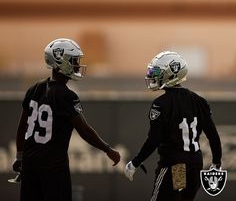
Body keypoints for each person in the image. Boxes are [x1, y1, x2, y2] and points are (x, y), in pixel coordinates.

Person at [12, 38, 120, 201]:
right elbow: (84, 130)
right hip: (52, 167)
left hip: (29, 163)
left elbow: (22, 128)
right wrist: (107, 149)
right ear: (60, 62)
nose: (77, 65)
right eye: (74, 60)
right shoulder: (66, 95)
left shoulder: (34, 88)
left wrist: (20, 157)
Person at [124, 51, 222, 201]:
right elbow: (213, 135)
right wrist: (216, 162)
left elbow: (154, 139)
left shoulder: (161, 103)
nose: (152, 76)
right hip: (195, 165)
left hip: (177, 166)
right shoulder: (200, 101)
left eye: (156, 72)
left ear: (171, 74)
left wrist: (136, 162)